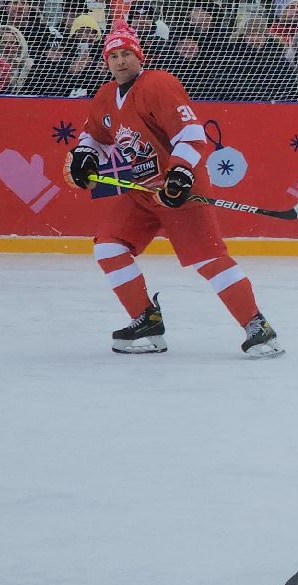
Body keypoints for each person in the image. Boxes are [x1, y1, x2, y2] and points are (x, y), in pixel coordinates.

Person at [62, 21, 282, 358]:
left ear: (139, 55)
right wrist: (84, 157)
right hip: (141, 192)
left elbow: (191, 135)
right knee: (108, 248)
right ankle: (146, 320)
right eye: (114, 56)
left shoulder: (158, 84)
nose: (120, 61)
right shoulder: (106, 96)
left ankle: (257, 326)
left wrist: (179, 174)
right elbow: (95, 136)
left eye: (126, 54)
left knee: (210, 260)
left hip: (180, 190)